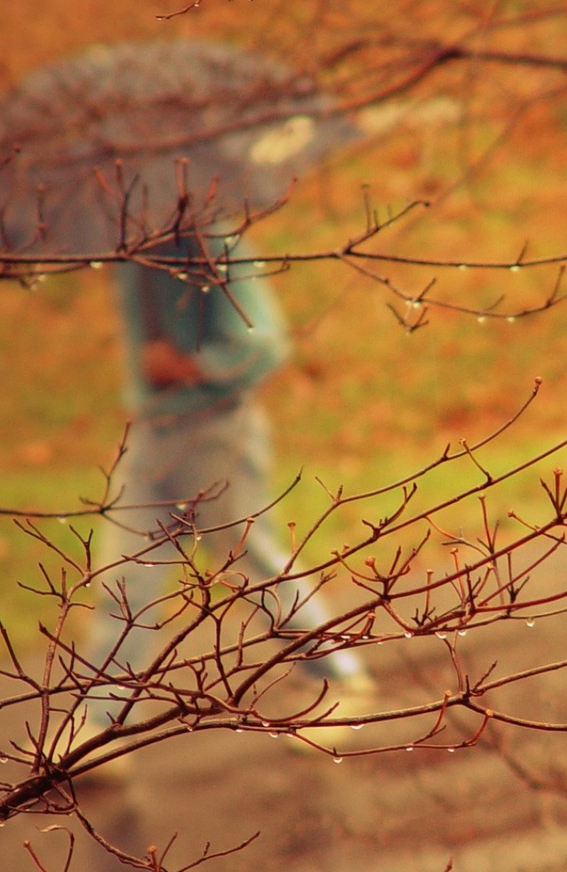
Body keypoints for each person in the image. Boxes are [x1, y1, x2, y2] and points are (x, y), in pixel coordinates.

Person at [61, 229, 372, 769]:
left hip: (215, 429)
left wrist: (187, 367)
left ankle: (339, 682)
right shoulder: (129, 251)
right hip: (153, 431)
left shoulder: (210, 243)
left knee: (249, 561)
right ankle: (100, 728)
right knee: (126, 576)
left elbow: (264, 345)